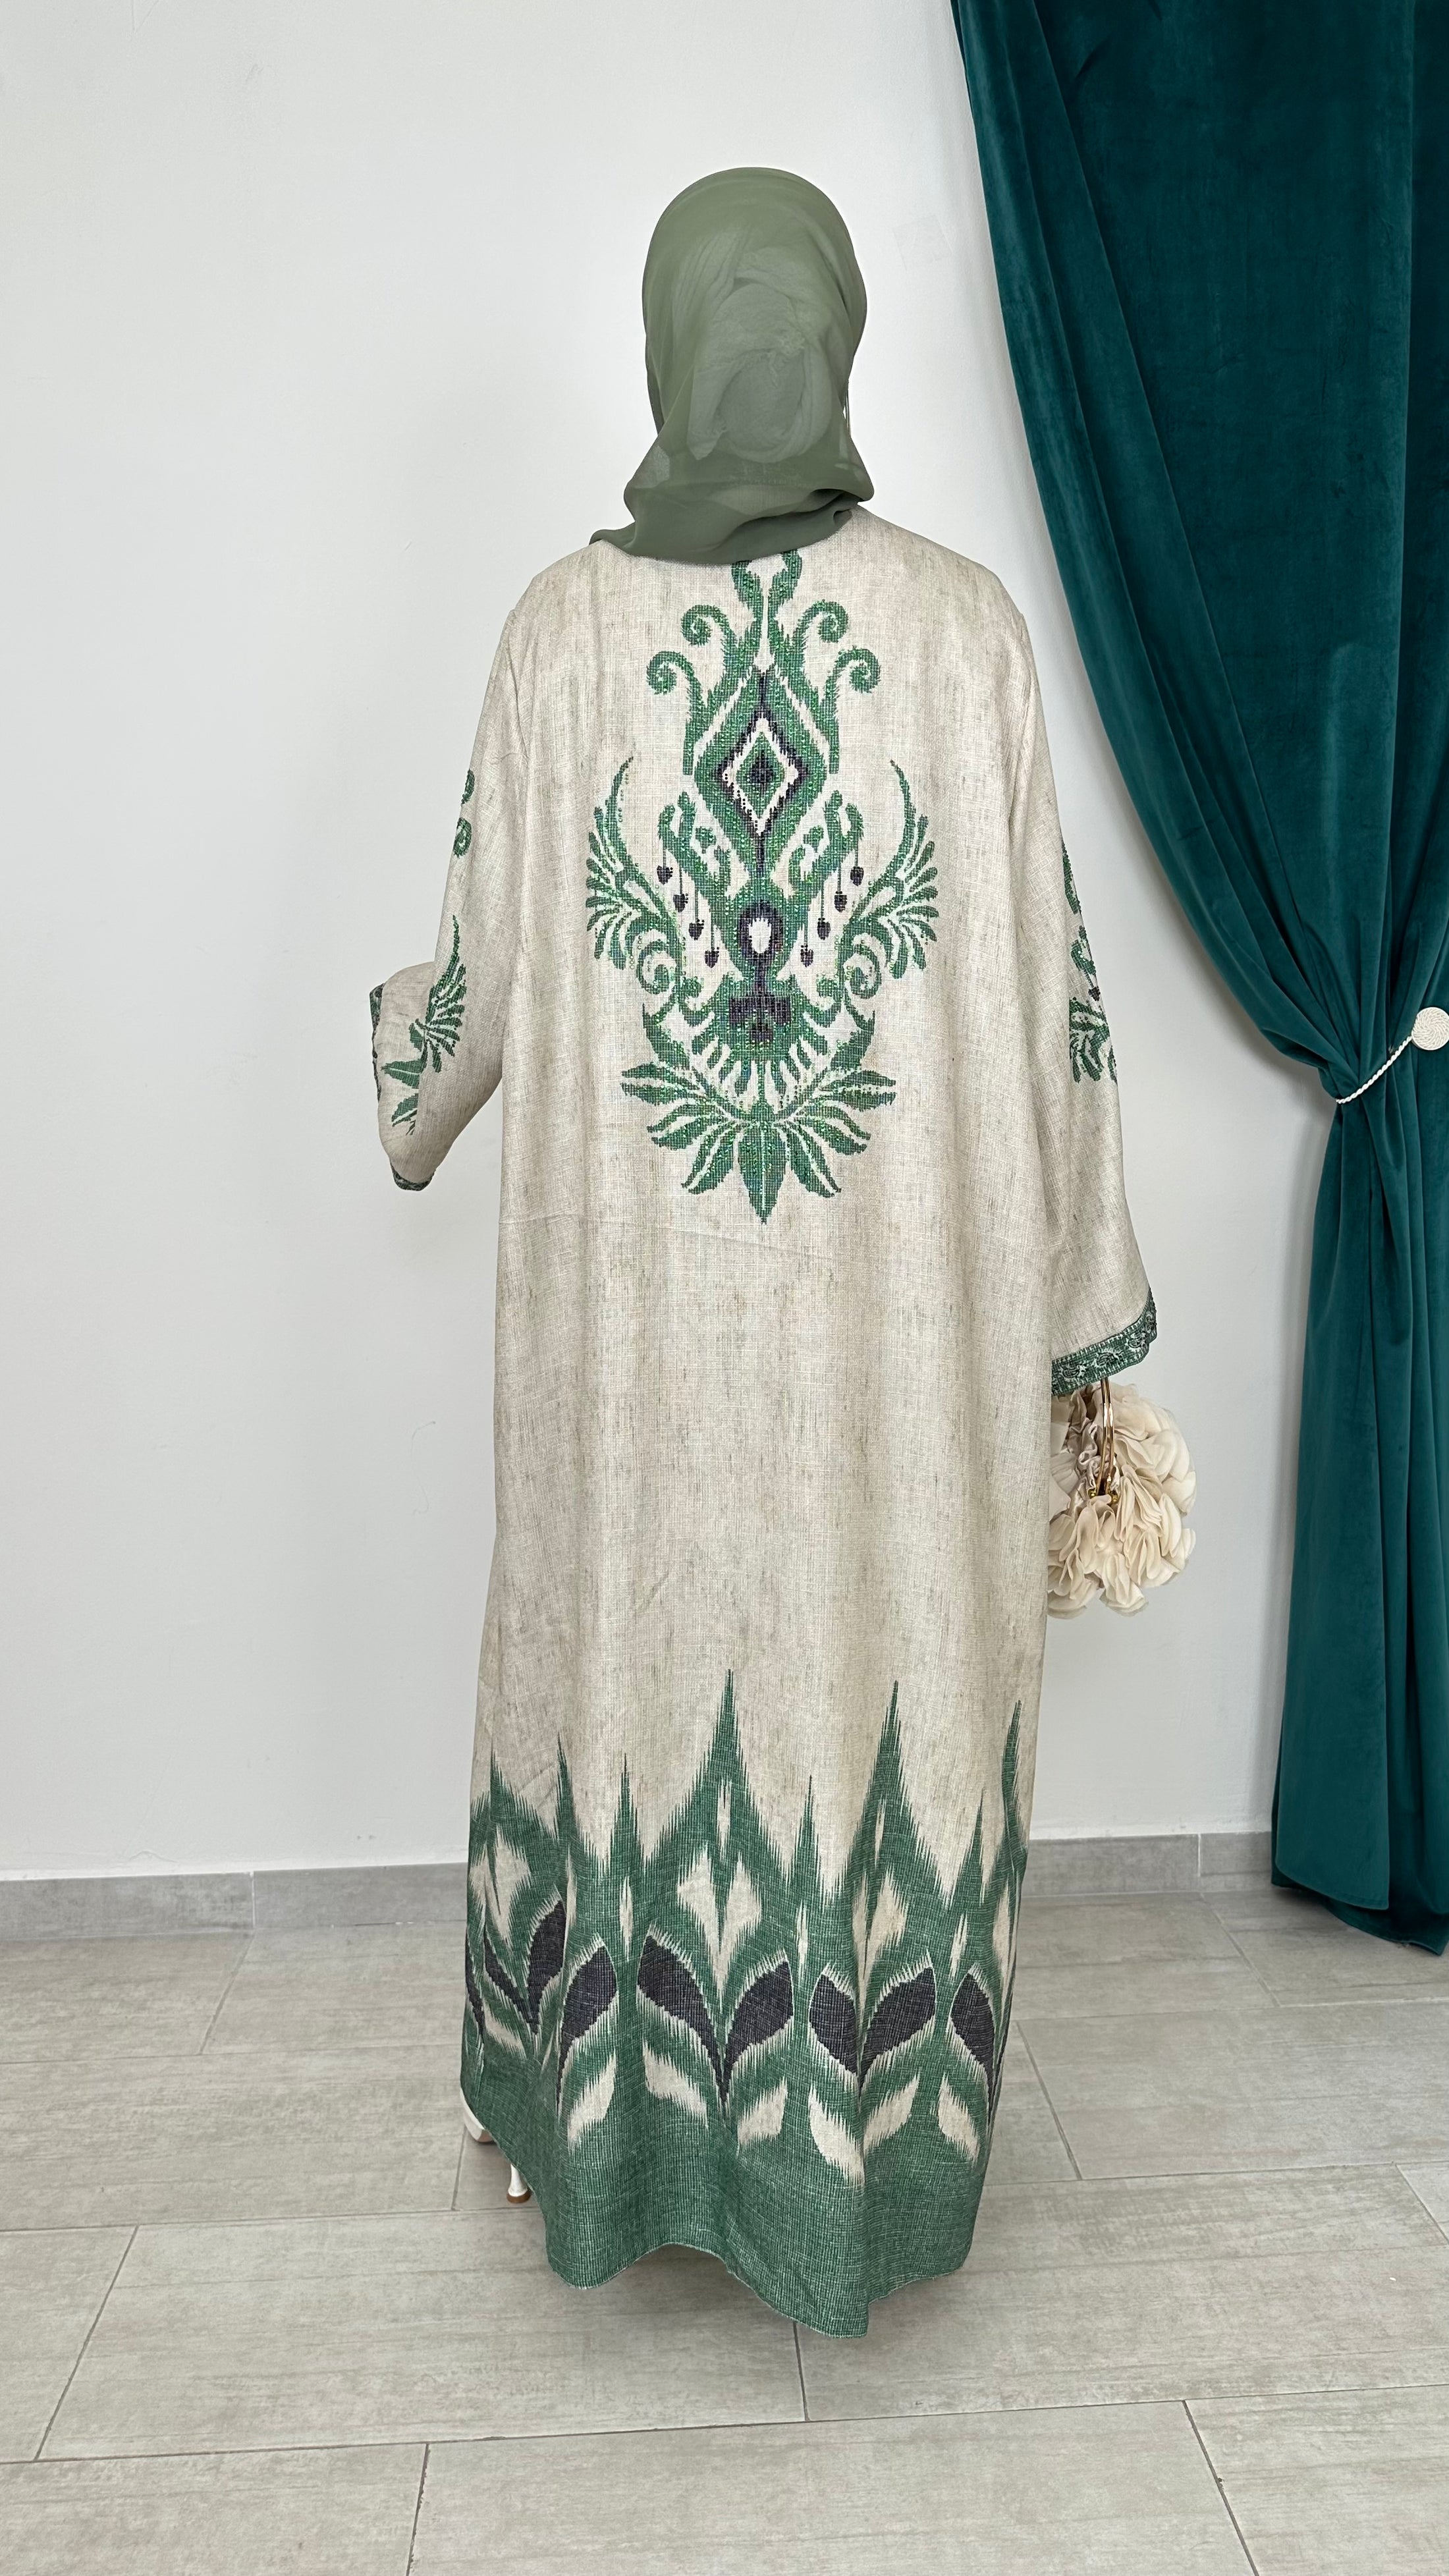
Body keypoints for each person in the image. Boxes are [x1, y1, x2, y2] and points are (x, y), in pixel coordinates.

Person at [369, 167, 1153, 2337]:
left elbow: (471, 993)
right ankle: (857, 2167)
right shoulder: (971, 634)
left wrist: (400, 1064)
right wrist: (1084, 1330)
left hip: (632, 1371)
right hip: (905, 1373)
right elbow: (1063, 1019)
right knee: (880, 1691)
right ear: (839, 332)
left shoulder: (559, 636)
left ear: (666, 343)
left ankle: (604, 2124)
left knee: (614, 1676)